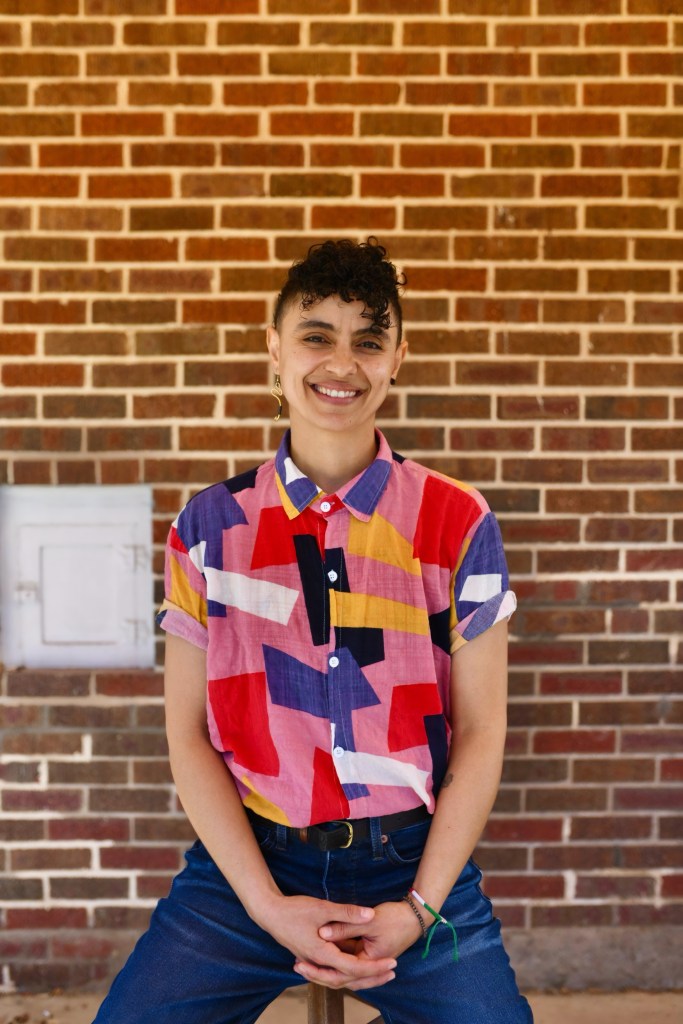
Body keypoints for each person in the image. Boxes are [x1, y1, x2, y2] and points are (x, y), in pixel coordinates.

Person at [93, 238, 533, 1024]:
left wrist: (419, 908)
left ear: (397, 358)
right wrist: (265, 906)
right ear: (274, 349)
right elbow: (186, 731)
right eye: (316, 335)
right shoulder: (208, 526)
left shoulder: (456, 521)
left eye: (369, 340)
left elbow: (482, 730)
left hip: (412, 870)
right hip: (251, 868)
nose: (343, 362)